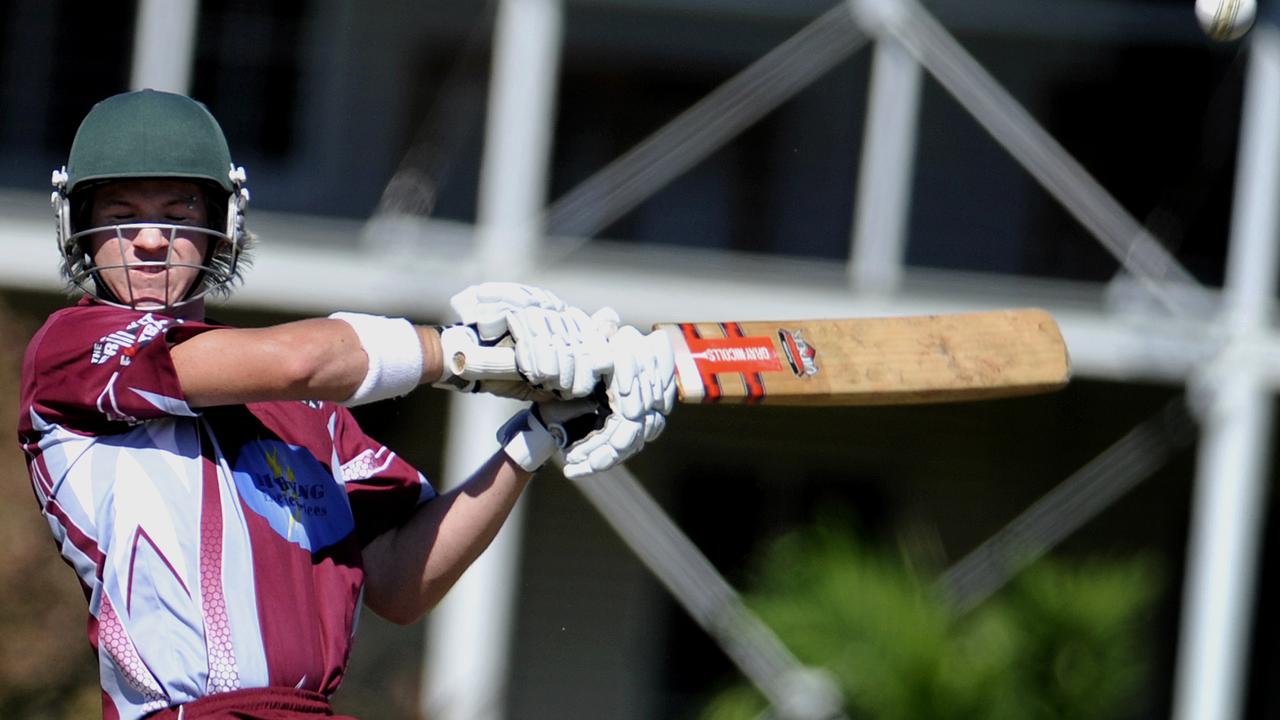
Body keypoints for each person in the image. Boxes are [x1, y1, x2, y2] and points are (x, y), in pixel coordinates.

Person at [18, 89, 675, 720]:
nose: (151, 240)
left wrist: (533, 441)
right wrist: (468, 354)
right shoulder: (73, 352)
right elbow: (301, 360)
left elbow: (399, 583)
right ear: (77, 225)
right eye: (122, 213)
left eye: (179, 210)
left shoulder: (307, 414)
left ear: (224, 224)